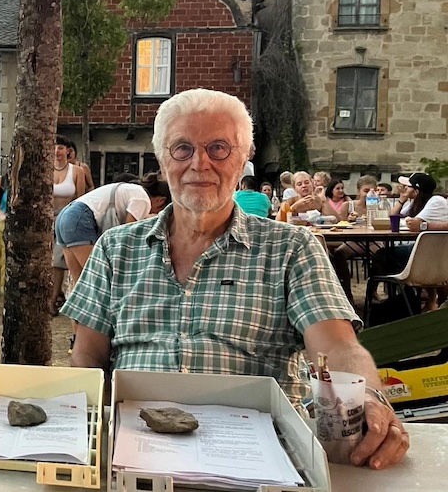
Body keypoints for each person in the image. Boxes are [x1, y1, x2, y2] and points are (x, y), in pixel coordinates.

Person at [62, 88, 408, 471]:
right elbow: (87, 356)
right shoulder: (115, 247)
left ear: (243, 159)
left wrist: (370, 398)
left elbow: (339, 348)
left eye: (219, 148)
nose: (200, 163)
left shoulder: (291, 248)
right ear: (163, 160)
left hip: (257, 459)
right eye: (182, 149)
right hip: (137, 453)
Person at [56, 172, 170, 287]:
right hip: (79, 219)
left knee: (80, 284)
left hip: (65, 216)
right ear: (161, 201)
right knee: (98, 279)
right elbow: (126, 235)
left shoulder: (132, 190)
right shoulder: (143, 199)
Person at [52, 135, 87, 313]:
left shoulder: (77, 171)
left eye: (60, 147)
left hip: (66, 217)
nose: (57, 151)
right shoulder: (45, 170)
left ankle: (53, 299)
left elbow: (80, 198)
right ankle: (51, 296)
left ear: (68, 151)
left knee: (58, 260)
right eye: (54, 147)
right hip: (46, 218)